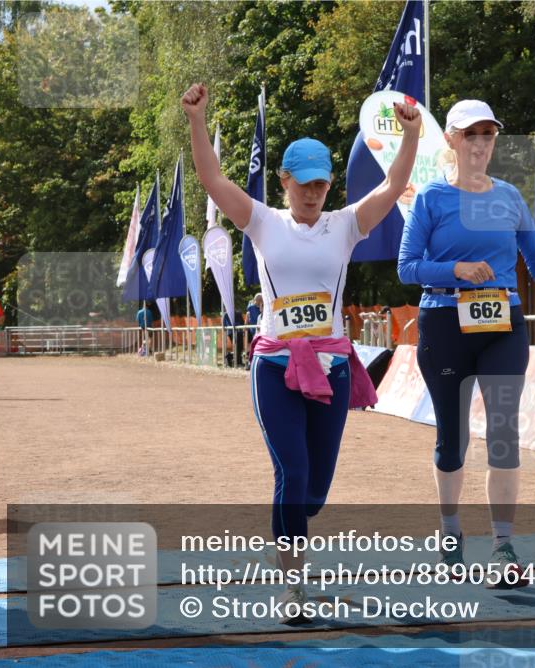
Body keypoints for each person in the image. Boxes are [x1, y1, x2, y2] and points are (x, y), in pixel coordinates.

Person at [182, 82, 421, 622]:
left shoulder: (346, 225)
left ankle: (292, 530)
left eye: (321, 183)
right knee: (291, 470)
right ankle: (293, 585)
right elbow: (211, 178)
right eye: (302, 184)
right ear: (284, 182)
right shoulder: (264, 222)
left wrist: (408, 135)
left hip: (333, 369)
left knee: (313, 491)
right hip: (275, 367)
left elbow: (396, 184)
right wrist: (198, 121)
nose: (312, 194)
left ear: (330, 183)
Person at [398, 99, 535, 588]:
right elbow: (407, 268)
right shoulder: (431, 199)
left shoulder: (508, 197)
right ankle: (450, 532)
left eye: (488, 134)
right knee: (453, 440)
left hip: (504, 324)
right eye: (471, 135)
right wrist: (455, 271)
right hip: (444, 324)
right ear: (452, 141)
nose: (481, 144)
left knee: (504, 432)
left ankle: (503, 546)